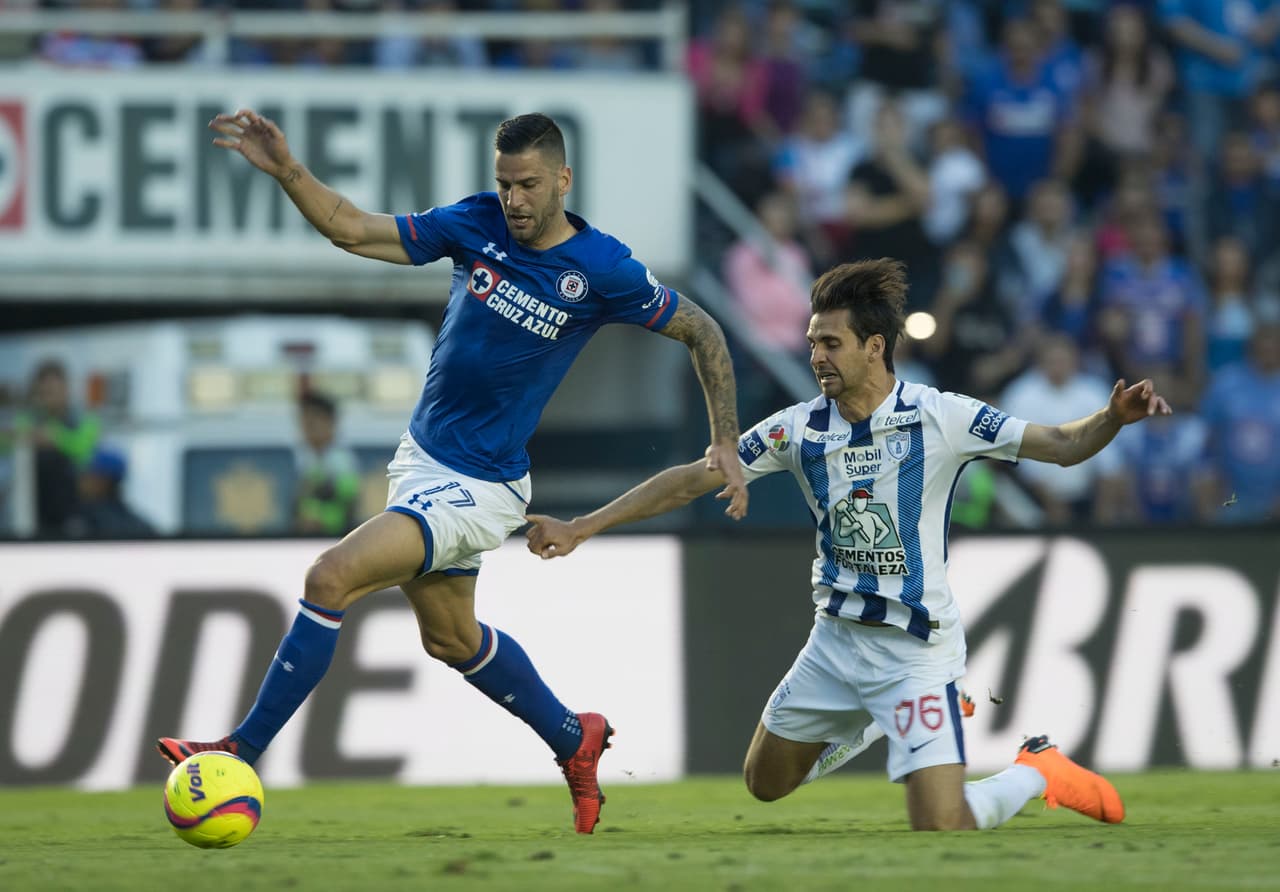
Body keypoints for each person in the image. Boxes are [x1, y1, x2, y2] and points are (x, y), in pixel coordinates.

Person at [155, 109, 749, 835]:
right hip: (423, 462)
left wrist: (724, 438)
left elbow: (703, 329)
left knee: (329, 578)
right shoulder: (475, 224)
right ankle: (574, 737)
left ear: (563, 179)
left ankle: (240, 751)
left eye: (529, 184)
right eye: (505, 184)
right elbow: (351, 228)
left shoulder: (602, 270)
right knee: (452, 640)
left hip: (482, 487)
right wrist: (287, 170)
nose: (515, 200)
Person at [526, 258, 1172, 831]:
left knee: (940, 823)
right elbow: (694, 480)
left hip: (916, 650)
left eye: (830, 344)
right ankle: (872, 721)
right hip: (834, 644)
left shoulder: (938, 416)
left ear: (874, 346)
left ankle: (1037, 770)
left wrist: (1111, 418)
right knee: (764, 784)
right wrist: (583, 527)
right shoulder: (797, 430)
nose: (816, 357)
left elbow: (1060, 446)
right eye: (811, 343)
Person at [292, 391, 362, 536]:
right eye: (303, 422)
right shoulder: (308, 460)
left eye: (312, 422)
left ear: (330, 422)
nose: (306, 429)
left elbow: (346, 504)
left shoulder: (341, 461)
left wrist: (321, 520)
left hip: (334, 539)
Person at [65, 446, 156, 539]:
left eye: (87, 473)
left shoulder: (86, 523)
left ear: (104, 481)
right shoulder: (140, 525)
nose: (80, 479)